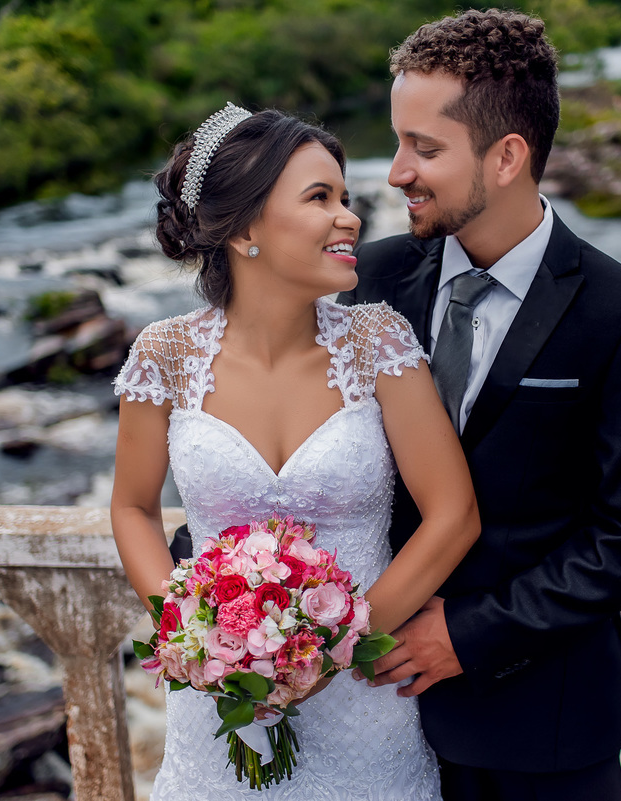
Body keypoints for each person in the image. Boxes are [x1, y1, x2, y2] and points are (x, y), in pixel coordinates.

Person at [339, 10, 621, 800]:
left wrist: (471, 633)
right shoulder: (369, 277)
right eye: (398, 142)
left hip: (543, 730)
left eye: (424, 148)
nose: (397, 172)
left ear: (507, 157)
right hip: (368, 717)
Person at [109, 105, 480, 800]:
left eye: (346, 198)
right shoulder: (164, 354)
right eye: (320, 198)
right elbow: (132, 507)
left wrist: (334, 647)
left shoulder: (380, 341)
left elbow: (453, 514)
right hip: (220, 705)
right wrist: (198, 638)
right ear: (246, 228)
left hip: (367, 700)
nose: (350, 218)